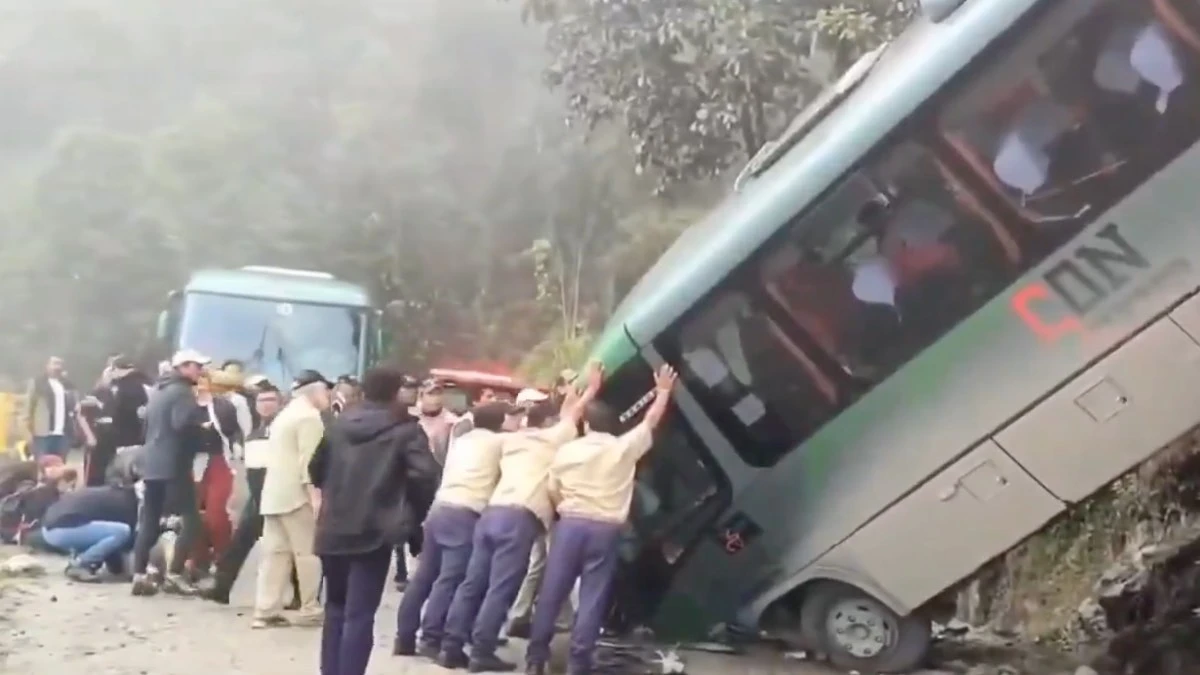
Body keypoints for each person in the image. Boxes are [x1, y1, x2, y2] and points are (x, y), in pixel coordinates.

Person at [441, 365, 601, 672]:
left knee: (473, 583)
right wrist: (589, 390)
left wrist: (573, 395)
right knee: (501, 587)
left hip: (491, 514)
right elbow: (572, 414)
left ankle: (451, 646)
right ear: (550, 424)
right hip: (519, 519)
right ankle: (481, 652)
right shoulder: (551, 440)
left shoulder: (511, 441)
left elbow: (566, 414)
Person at [524, 365, 678, 675]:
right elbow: (649, 423)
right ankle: (579, 664)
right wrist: (663, 393)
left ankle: (535, 658)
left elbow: (553, 489)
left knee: (552, 592)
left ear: (588, 425)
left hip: (570, 526)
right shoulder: (622, 449)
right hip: (605, 530)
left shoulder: (568, 452)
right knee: (593, 597)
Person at [314, 367, 440, 675]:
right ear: (397, 392)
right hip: (375, 529)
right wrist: (410, 516)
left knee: (335, 609)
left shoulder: (339, 424)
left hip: (334, 526)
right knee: (360, 614)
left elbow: (315, 470)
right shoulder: (405, 429)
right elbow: (426, 476)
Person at [394, 400, 514, 662]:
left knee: (424, 576)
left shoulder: (464, 440)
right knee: (450, 578)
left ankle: (404, 637)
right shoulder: (500, 444)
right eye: (511, 417)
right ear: (501, 421)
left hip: (440, 508)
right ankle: (431, 638)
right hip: (466, 512)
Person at [202, 383, 301, 606]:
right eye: (261, 401)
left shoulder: (286, 429)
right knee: (239, 542)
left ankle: (302, 596)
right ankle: (221, 588)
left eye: (271, 401)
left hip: (281, 494)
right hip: (258, 497)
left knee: (294, 546)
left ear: (280, 403)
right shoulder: (254, 432)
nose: (266, 406)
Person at [130, 349, 210, 597]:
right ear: (184, 367)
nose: (201, 371)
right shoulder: (183, 391)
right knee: (191, 521)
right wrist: (204, 427)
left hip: (151, 464)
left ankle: (140, 573)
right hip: (174, 465)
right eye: (197, 366)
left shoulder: (159, 390)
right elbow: (182, 424)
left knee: (150, 521)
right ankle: (174, 574)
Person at [254, 369, 330, 628]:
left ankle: (265, 609)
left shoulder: (284, 415)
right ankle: (309, 607)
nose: (328, 395)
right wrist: (316, 498)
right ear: (315, 391)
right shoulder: (310, 418)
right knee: (307, 553)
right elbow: (308, 463)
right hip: (297, 497)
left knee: (275, 554)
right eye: (325, 390)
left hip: (274, 494)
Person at [189, 369, 247, 578]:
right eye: (197, 382)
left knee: (217, 514)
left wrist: (237, 446)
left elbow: (234, 431)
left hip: (217, 459)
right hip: (193, 460)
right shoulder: (185, 405)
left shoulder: (223, 405)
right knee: (192, 515)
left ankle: (224, 559)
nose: (201, 386)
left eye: (205, 381)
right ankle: (198, 560)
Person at [41, 466, 138, 583]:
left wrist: (116, 568)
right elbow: (121, 541)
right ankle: (81, 564)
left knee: (104, 532)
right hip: (63, 528)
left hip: (49, 528)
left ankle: (78, 560)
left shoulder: (109, 493)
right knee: (123, 531)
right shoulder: (128, 503)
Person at [82, 356, 150, 488]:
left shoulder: (130, 388)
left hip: (121, 440)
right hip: (105, 439)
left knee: (116, 474)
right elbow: (83, 414)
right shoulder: (100, 391)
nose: (109, 373)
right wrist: (90, 436)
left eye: (112, 369)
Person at [392, 374, 424, 591]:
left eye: (412, 388)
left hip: (415, 480)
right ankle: (402, 572)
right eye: (405, 388)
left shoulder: (419, 416)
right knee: (399, 530)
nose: (409, 392)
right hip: (396, 479)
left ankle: (414, 568)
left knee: (413, 526)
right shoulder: (392, 415)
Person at [22, 356, 79, 460]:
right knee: (42, 467)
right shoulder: (37, 383)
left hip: (63, 434)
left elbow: (75, 407)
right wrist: (28, 434)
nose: (57, 367)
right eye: (54, 364)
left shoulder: (67, 385)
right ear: (47, 366)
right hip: (42, 434)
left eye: (60, 364)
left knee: (59, 468)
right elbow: (27, 410)